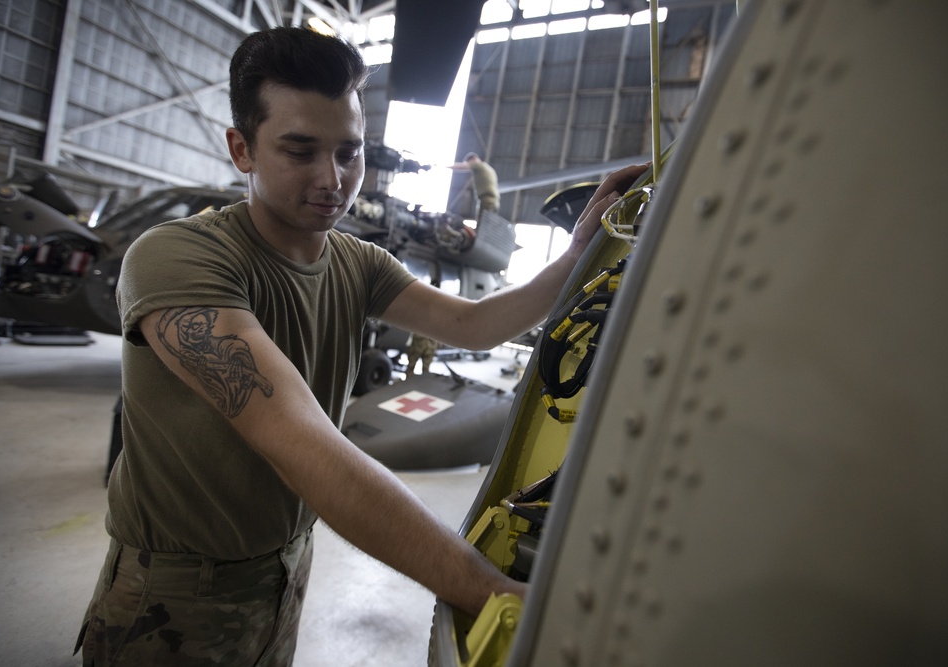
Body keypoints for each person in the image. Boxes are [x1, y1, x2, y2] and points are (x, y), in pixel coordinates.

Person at [74, 26, 647, 665]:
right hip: (175, 589)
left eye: (350, 152)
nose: (332, 179)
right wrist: (488, 591)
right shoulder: (176, 259)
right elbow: (308, 448)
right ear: (242, 148)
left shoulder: (358, 261)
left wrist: (577, 254)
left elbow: (476, 326)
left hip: (286, 566)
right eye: (300, 151)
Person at [459, 152, 500, 219]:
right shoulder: (488, 168)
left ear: (473, 159)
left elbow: (463, 167)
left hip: (487, 200)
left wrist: (445, 166)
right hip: (495, 202)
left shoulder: (479, 165)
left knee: (481, 225)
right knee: (488, 225)